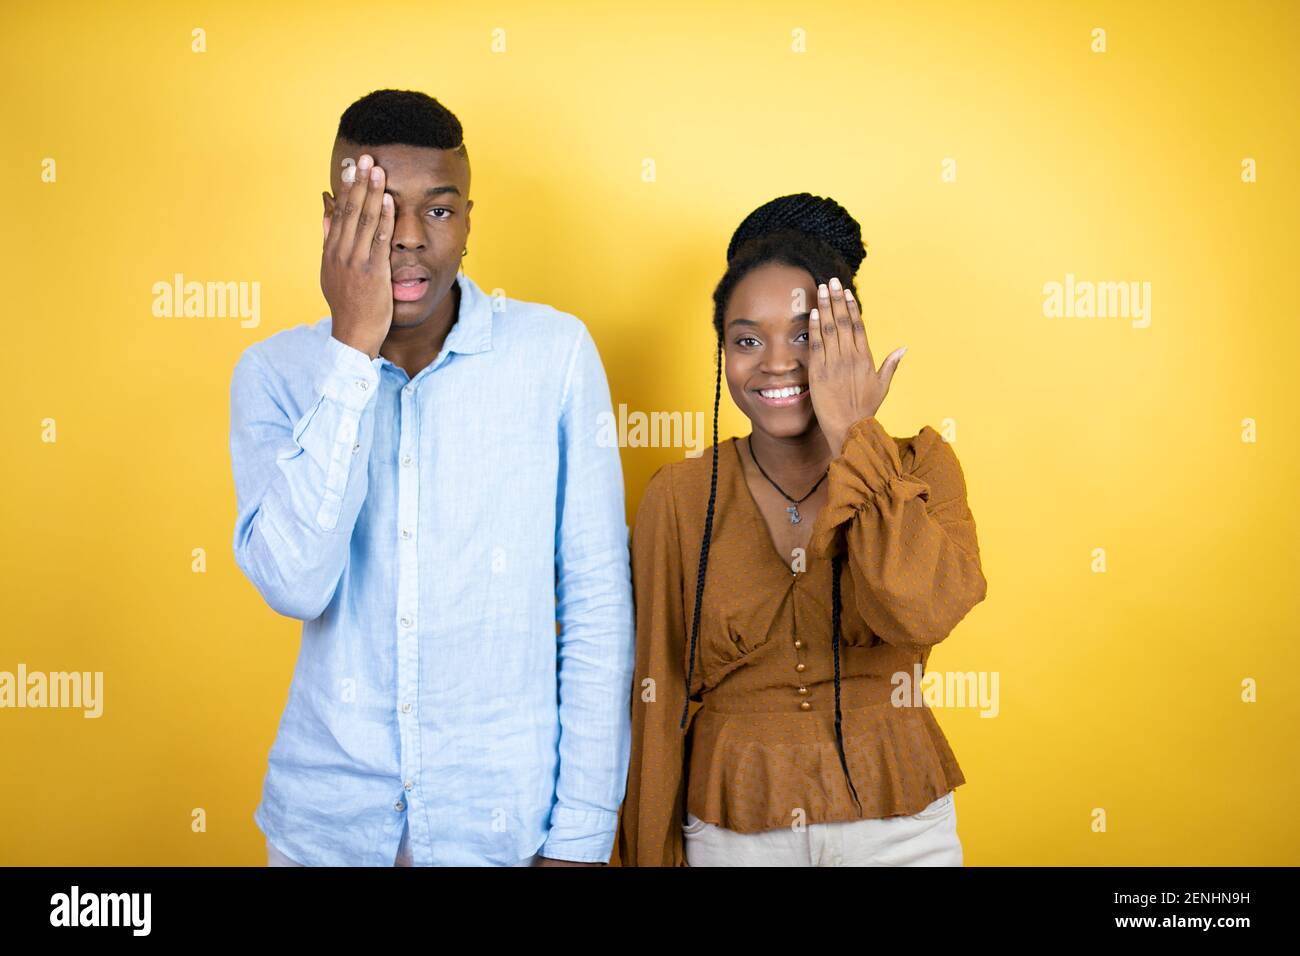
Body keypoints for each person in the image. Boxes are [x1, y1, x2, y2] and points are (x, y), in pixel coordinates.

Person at [228, 89, 634, 866]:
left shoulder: (554, 355)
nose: (408, 239)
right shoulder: (275, 374)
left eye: (439, 211)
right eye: (379, 208)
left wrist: (582, 834)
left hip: (503, 827)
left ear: (470, 220)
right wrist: (351, 350)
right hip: (326, 829)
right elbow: (295, 584)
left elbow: (595, 602)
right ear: (331, 215)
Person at [617, 193, 988, 867]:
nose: (776, 364)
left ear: (850, 343)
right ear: (723, 350)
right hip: (732, 829)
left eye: (807, 336)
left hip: (901, 824)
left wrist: (855, 433)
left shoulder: (920, 467)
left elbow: (919, 610)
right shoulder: (677, 497)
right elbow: (654, 698)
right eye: (747, 340)